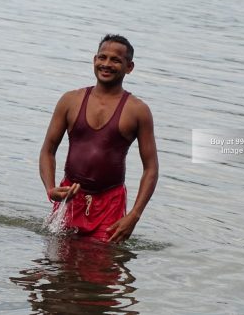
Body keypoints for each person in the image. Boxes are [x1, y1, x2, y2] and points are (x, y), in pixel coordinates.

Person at [39, 34, 158, 244]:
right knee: (57, 266)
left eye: (115, 60)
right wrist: (50, 189)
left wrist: (134, 216)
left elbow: (151, 168)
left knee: (101, 268)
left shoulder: (138, 111)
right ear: (94, 60)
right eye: (102, 57)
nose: (106, 64)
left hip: (110, 203)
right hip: (70, 196)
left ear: (129, 67)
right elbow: (48, 150)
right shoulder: (70, 100)